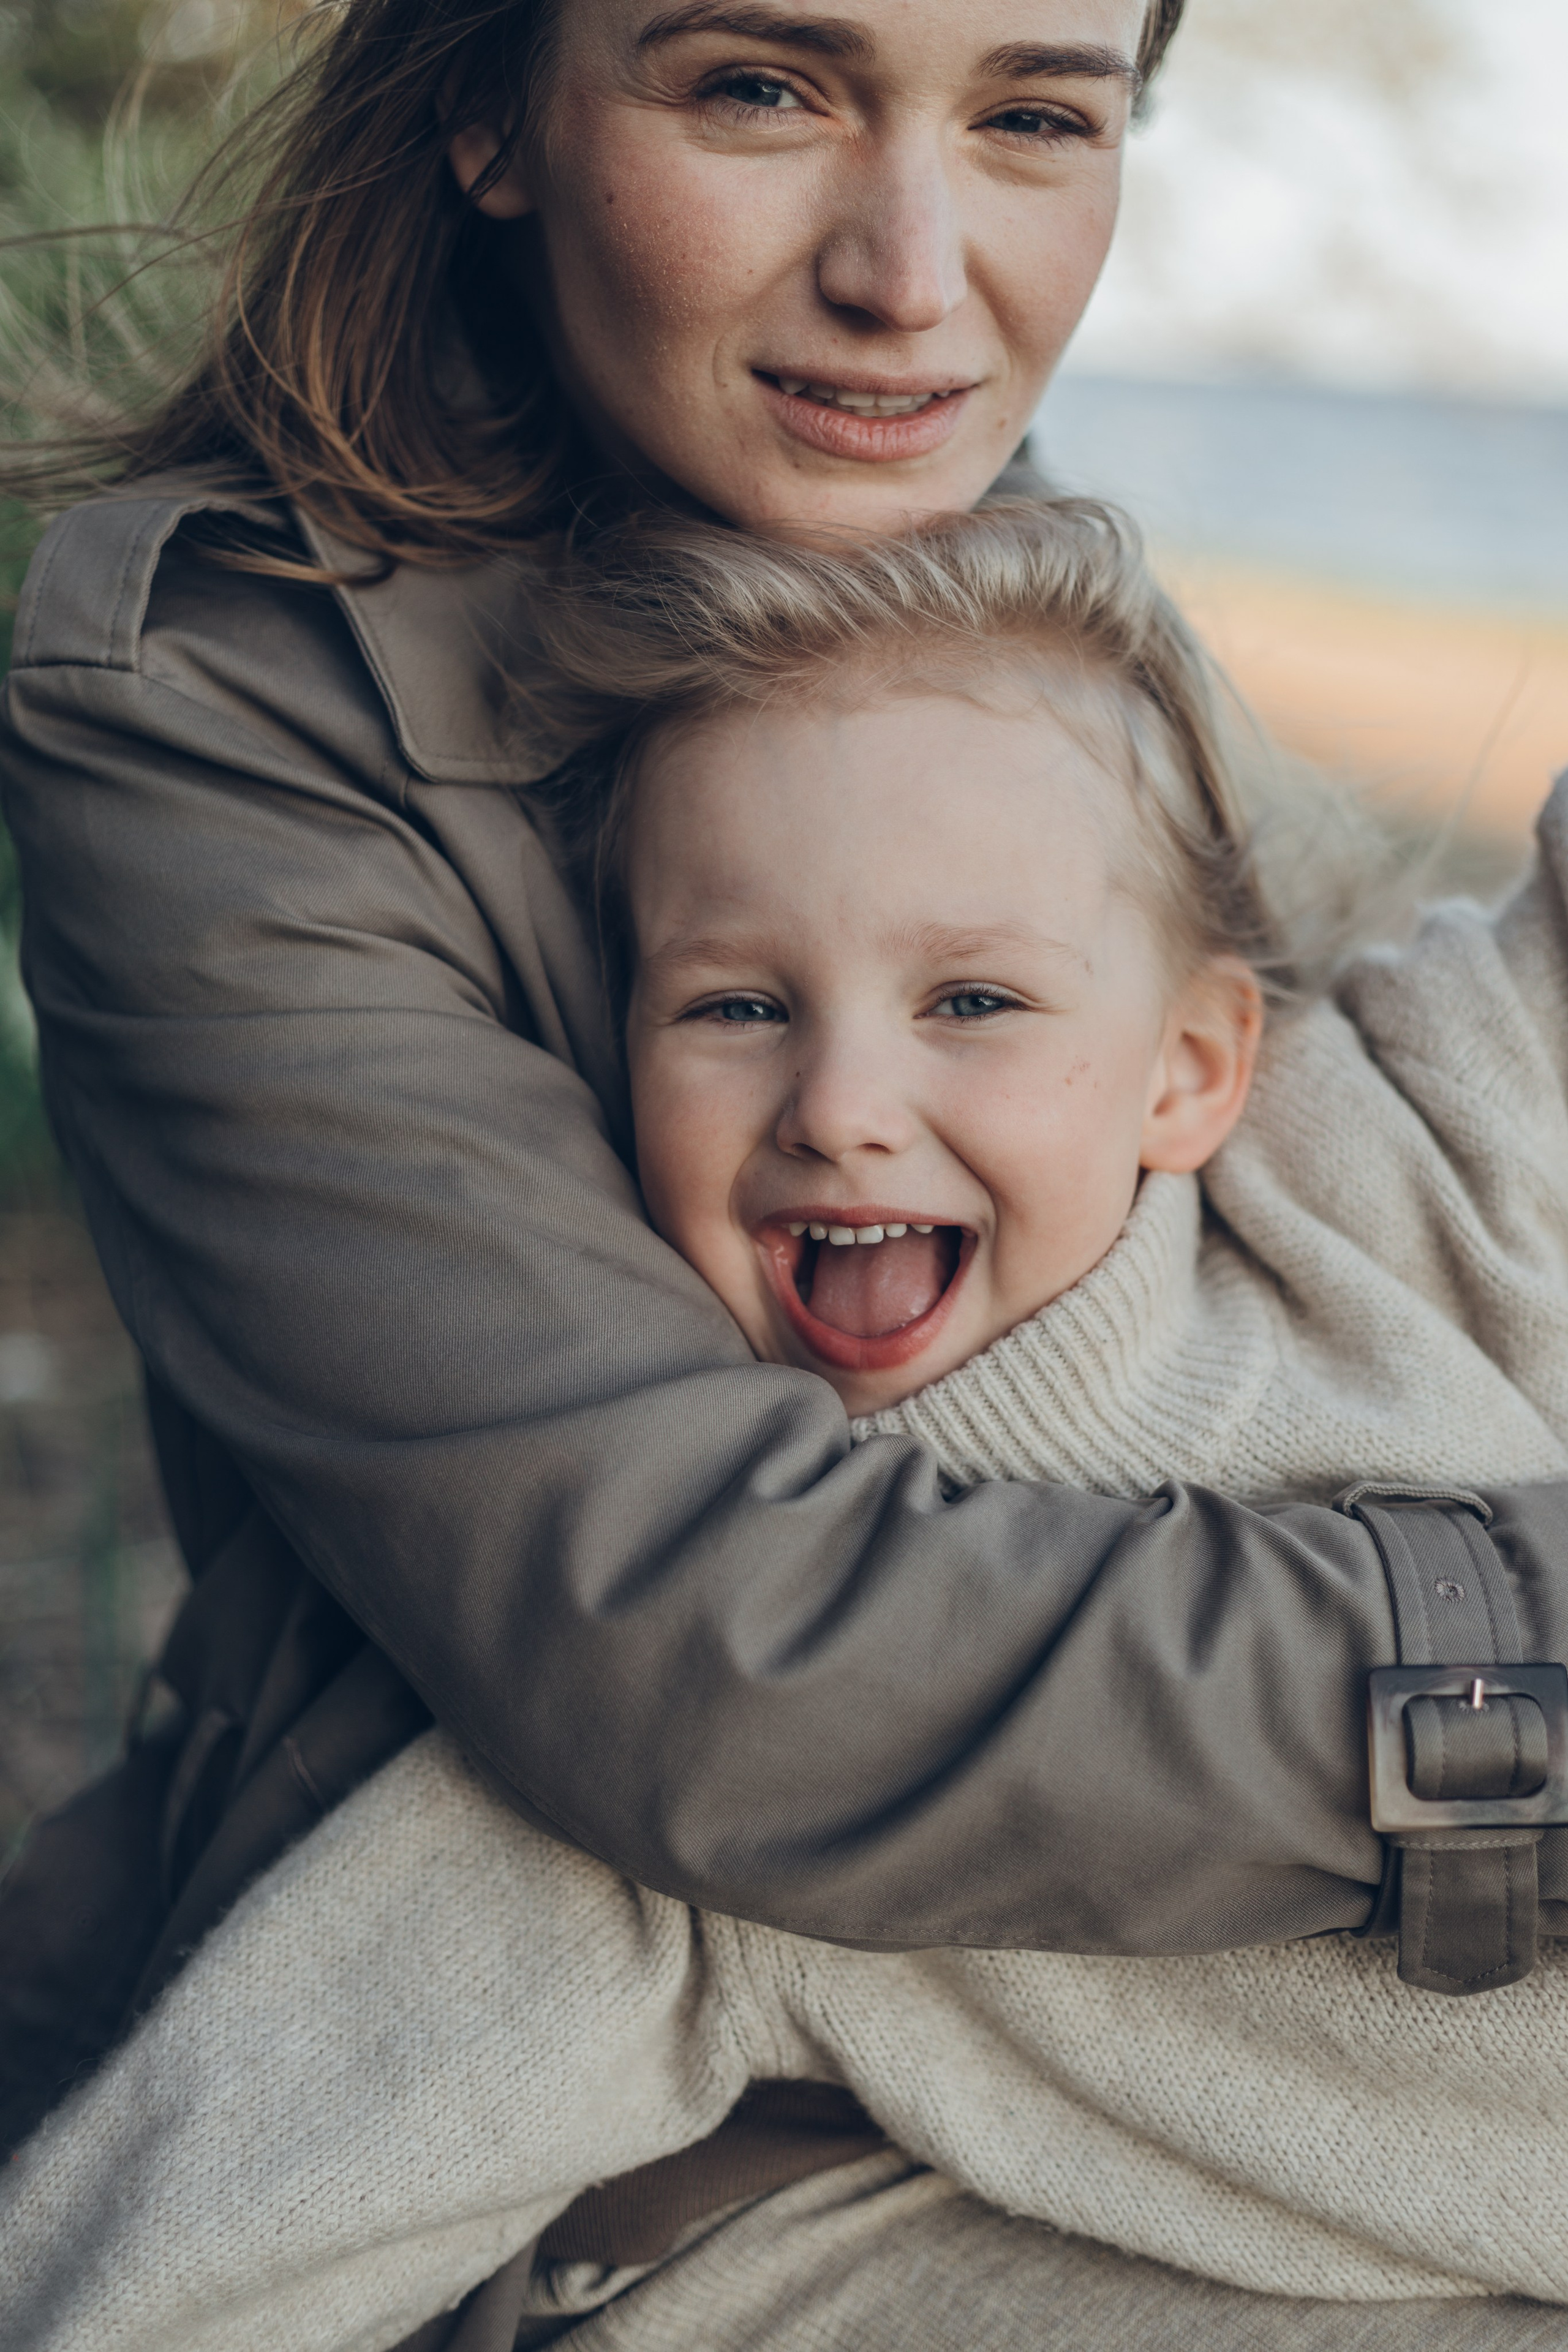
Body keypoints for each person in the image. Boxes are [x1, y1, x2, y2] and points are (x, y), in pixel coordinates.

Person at [5, 0, 1568, 2342]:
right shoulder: (220, 691)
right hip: (655, 2124)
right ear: (487, 103)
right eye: (761, 88)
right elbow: (703, 1654)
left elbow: (1424, 1094)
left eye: (1033, 114)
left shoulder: (988, 573)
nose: (913, 277)